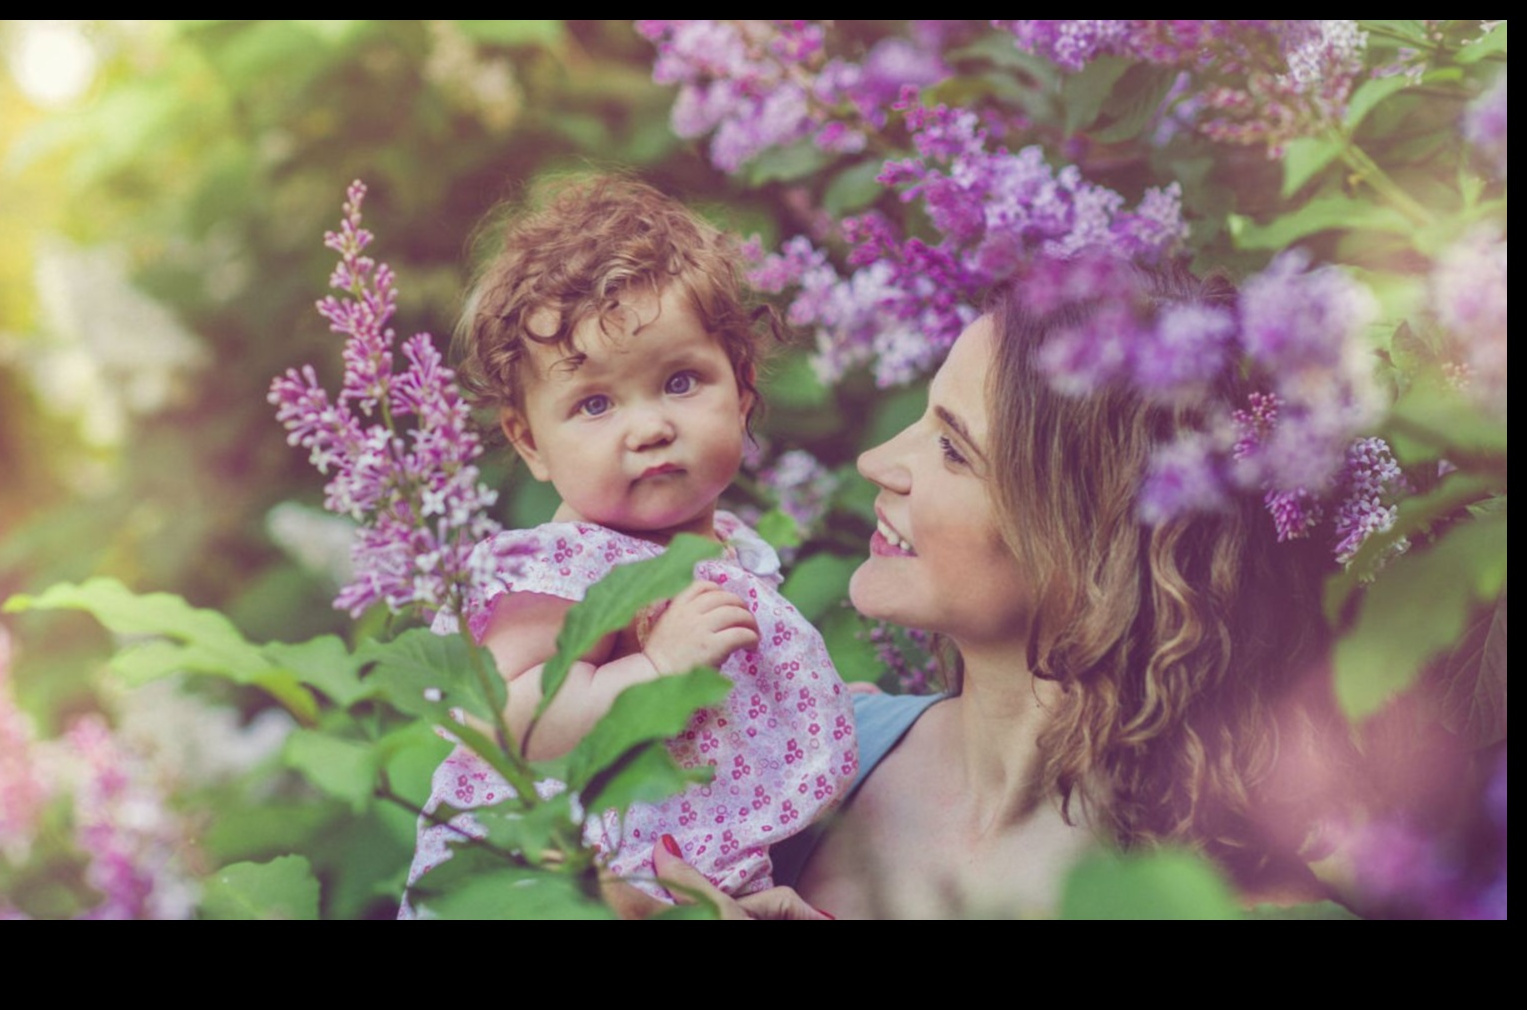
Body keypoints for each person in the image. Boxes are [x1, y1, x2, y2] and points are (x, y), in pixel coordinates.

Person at [632, 261, 1340, 918]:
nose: (876, 462)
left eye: (952, 449)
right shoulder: (806, 753)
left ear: (1092, 543)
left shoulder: (1239, 903)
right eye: (921, 419)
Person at [403, 176, 857, 908]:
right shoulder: (563, 571)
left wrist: (811, 701)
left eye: (681, 382)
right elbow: (503, 722)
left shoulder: (728, 551)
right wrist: (656, 667)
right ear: (530, 443)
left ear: (740, 394)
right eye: (594, 403)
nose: (648, 427)